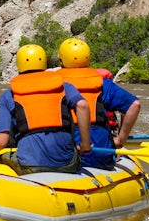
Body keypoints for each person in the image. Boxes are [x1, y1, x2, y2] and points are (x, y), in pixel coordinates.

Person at [0, 43, 91, 173]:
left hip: (30, 166)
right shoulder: (64, 87)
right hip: (68, 163)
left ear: (19, 65)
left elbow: (0, 142)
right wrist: (85, 144)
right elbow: (82, 105)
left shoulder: (8, 96)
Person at [57, 37, 141, 169]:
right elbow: (134, 105)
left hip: (64, 153)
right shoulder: (103, 84)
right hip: (99, 153)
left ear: (61, 60)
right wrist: (120, 139)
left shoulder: (53, 84)